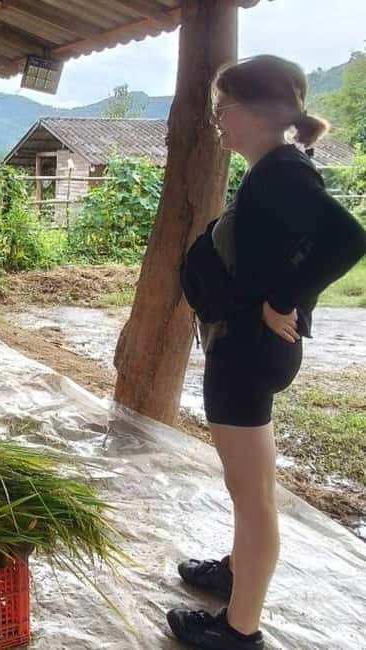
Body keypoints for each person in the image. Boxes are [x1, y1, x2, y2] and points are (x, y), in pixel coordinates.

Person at [168, 55, 366, 649]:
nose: (218, 122)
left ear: (258, 112)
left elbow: (348, 237)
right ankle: (237, 570)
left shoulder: (281, 171)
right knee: (244, 486)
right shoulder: (274, 168)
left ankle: (239, 629)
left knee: (252, 495)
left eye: (222, 109)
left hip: (249, 354)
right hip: (246, 348)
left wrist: (285, 299)